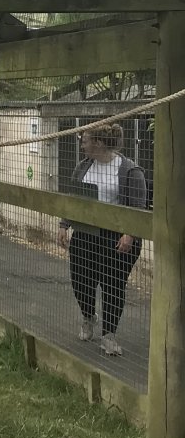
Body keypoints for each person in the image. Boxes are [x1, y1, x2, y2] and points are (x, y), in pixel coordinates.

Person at [55, 124, 149, 356]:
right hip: (86, 233)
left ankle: (109, 335)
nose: (82, 144)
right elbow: (74, 198)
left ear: (98, 143)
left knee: (113, 285)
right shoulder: (83, 166)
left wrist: (129, 233)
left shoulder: (130, 171)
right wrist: (64, 225)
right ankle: (89, 316)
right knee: (81, 281)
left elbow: (139, 207)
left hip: (117, 238)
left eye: (85, 140)